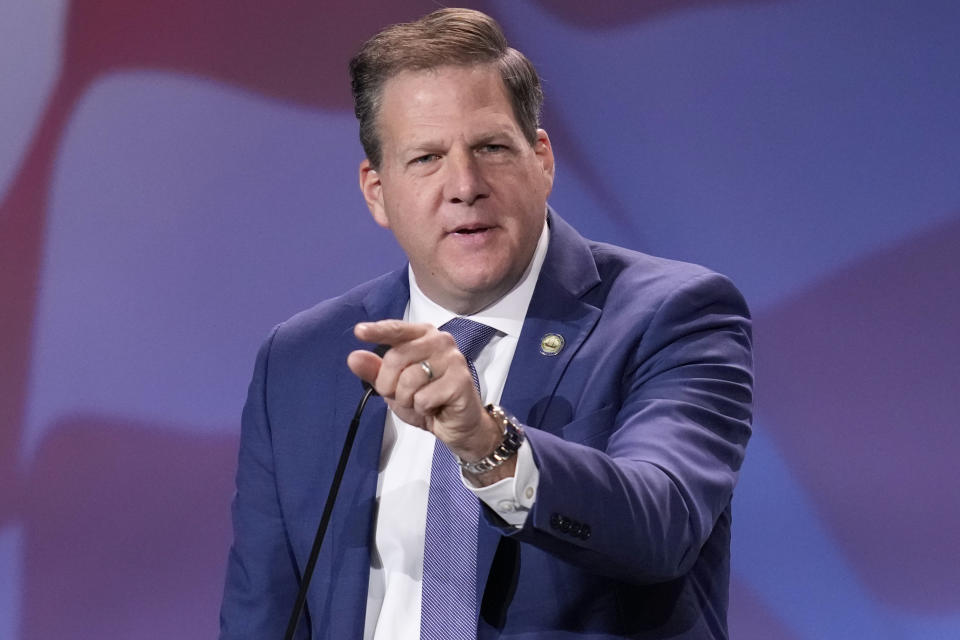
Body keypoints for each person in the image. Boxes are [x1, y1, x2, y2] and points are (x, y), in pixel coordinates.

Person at [219, 8, 753, 640]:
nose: (465, 185)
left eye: (492, 148)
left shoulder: (673, 314)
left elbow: (662, 526)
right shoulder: (302, 358)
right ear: (376, 190)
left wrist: (485, 444)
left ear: (542, 159)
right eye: (425, 158)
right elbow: (265, 613)